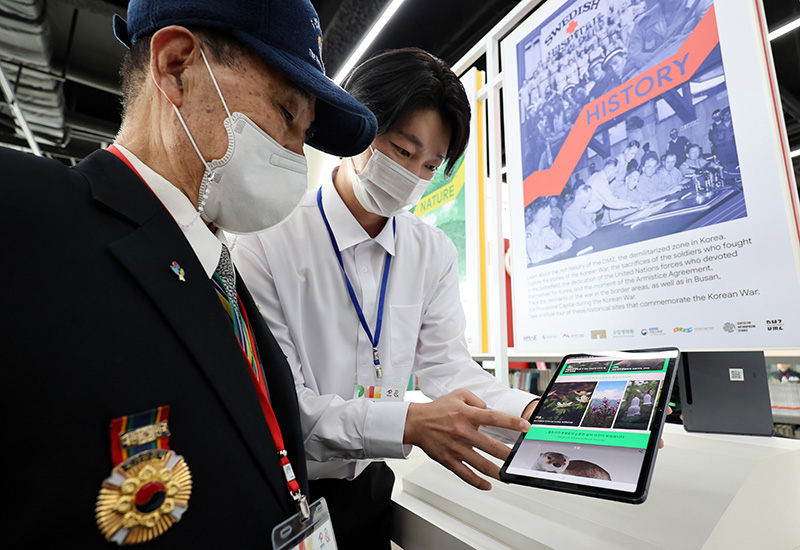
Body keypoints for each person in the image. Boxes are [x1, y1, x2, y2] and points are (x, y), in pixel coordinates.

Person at [0, 0, 378, 547]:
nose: (296, 155)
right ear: (176, 66)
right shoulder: (27, 221)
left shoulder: (223, 281)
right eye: (287, 113)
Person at [231, 48, 538, 549]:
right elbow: (289, 409)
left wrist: (528, 413)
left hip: (371, 489)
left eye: (431, 165)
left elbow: (449, 369)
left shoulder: (429, 251)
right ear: (357, 127)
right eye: (401, 149)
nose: (413, 174)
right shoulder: (267, 238)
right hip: (286, 491)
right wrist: (411, 423)